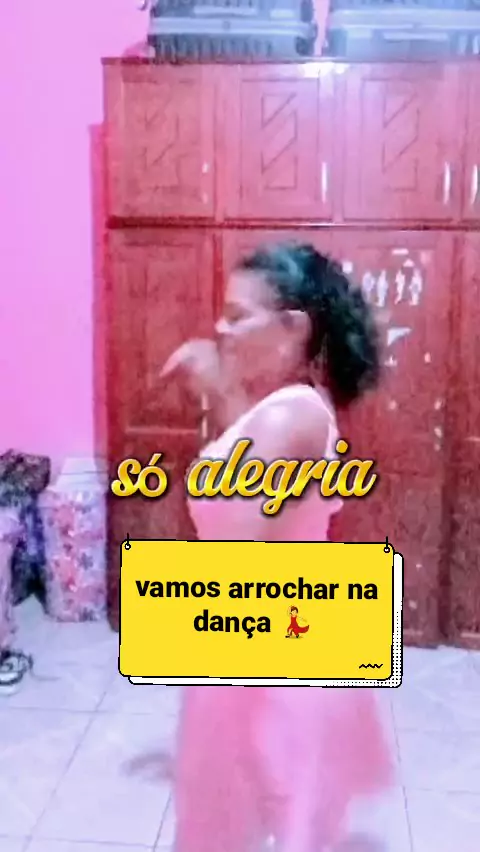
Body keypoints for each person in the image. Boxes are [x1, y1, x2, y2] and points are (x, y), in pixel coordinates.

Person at [161, 243, 393, 852]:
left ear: (293, 328)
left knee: (259, 813)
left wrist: (217, 385)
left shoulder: (292, 416)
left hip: (277, 654)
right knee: (244, 814)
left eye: (238, 316)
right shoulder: (283, 410)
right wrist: (223, 393)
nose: (220, 328)